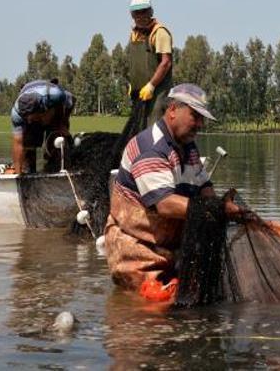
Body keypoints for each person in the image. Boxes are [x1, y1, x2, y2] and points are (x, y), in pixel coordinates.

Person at [103, 83, 241, 298]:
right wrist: (218, 209)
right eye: (195, 116)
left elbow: (204, 187)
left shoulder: (188, 146)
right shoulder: (151, 148)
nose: (200, 124)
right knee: (158, 306)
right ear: (173, 110)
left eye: (202, 118)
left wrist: (220, 206)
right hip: (137, 251)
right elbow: (165, 204)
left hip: (171, 250)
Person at [126, 0, 173, 130]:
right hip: (139, 92)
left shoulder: (159, 32)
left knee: (154, 130)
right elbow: (136, 64)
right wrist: (132, 84)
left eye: (144, 11)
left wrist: (151, 86)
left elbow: (166, 63)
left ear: (151, 11)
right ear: (132, 14)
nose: (140, 16)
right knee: (137, 130)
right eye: (136, 12)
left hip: (157, 92)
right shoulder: (135, 34)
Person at [9, 79, 75, 174]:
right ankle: (28, 173)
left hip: (53, 113)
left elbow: (71, 99)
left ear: (40, 109)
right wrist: (18, 172)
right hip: (39, 110)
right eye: (26, 118)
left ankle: (57, 169)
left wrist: (63, 122)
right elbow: (18, 144)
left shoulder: (55, 95)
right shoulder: (17, 114)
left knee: (57, 141)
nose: (29, 120)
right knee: (28, 143)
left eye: (31, 117)